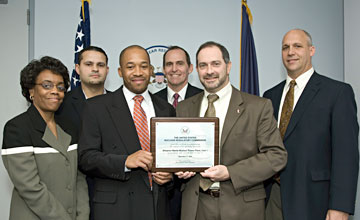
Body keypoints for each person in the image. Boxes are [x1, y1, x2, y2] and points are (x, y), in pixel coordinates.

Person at [175, 41, 287, 220]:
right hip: (196, 207)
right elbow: (181, 152)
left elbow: (276, 156)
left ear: (228, 66)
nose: (209, 71)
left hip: (241, 207)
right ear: (196, 69)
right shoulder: (184, 108)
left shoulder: (257, 107)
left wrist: (230, 172)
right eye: (203, 65)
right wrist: (180, 168)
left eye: (215, 64)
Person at [263, 29, 359, 220]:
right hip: (271, 198)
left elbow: (346, 155)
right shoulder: (269, 96)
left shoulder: (337, 92)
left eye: (297, 46)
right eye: (285, 47)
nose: (291, 52)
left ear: (311, 50)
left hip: (314, 200)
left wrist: (340, 206)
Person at [78, 45, 175, 220]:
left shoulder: (166, 109)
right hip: (118, 209)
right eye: (130, 67)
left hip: (158, 208)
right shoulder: (97, 107)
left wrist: (169, 176)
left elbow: (172, 157)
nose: (138, 72)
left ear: (151, 70)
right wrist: (125, 161)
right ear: (120, 71)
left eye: (144, 66)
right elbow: (86, 158)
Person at [1, 56, 89, 220]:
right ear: (31, 91)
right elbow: (30, 187)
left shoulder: (70, 127)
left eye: (61, 87)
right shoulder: (17, 128)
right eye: (47, 85)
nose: (55, 91)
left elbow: (79, 179)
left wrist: (82, 215)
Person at [56, 46, 109, 132]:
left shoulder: (120, 102)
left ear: (107, 70)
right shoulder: (62, 103)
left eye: (100, 65)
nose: (95, 69)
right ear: (77, 68)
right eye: (88, 64)